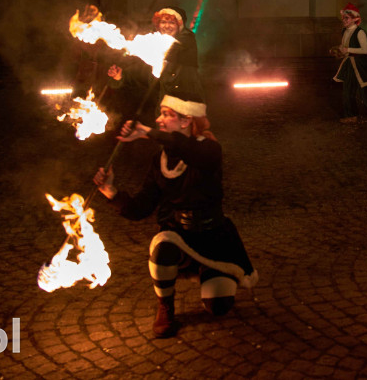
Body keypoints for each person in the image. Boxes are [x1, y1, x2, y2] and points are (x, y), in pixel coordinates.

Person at [93, 93, 257, 339]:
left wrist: (147, 132)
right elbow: (141, 208)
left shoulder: (209, 149)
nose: (159, 119)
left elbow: (188, 149)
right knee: (162, 247)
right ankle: (165, 307)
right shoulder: (159, 160)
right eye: (160, 114)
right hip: (179, 235)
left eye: (167, 115)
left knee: (219, 307)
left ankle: (208, 272)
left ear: (186, 121)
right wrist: (111, 192)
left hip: (215, 239)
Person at [108, 6, 202, 118]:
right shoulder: (153, 48)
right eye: (163, 22)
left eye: (172, 22)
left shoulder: (186, 44)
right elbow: (140, 74)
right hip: (162, 115)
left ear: (179, 25)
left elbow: (177, 54)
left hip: (185, 114)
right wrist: (121, 76)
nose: (167, 26)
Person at [331, 3, 367, 123]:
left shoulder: (360, 32)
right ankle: (351, 115)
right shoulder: (345, 31)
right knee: (347, 91)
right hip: (350, 65)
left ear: (355, 19)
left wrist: (348, 50)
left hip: (360, 66)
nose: (344, 20)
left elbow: (364, 50)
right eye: (343, 18)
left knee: (365, 91)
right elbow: (346, 48)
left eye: (347, 18)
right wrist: (339, 52)